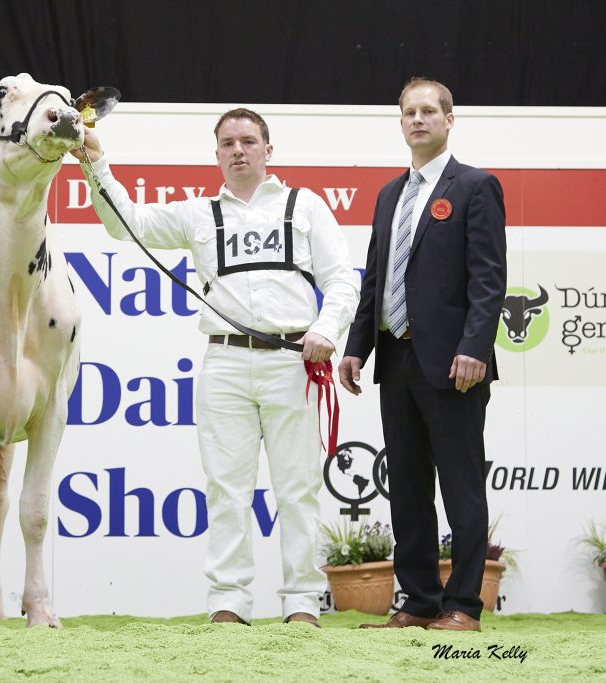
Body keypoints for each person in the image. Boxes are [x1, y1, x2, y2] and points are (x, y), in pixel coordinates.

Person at [72, 109, 360, 626]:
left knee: (297, 489)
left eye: (249, 141)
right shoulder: (197, 213)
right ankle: (228, 602)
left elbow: (342, 278)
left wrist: (326, 329)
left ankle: (301, 603)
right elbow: (128, 226)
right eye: (228, 143)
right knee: (226, 489)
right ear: (217, 153)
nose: (238, 150)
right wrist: (97, 162)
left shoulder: (305, 206)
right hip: (224, 362)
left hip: (294, 361)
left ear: (268, 150)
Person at [339, 78, 506, 632]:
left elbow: (488, 281)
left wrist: (474, 349)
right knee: (407, 486)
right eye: (409, 112)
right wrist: (356, 347)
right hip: (396, 358)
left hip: (455, 364)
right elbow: (375, 278)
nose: (418, 120)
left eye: (429, 111)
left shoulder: (475, 186)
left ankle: (462, 606)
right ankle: (417, 602)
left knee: (460, 483)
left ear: (449, 119)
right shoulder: (391, 194)